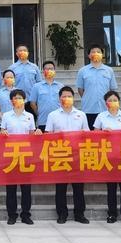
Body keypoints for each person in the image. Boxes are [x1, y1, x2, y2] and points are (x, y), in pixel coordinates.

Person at [45, 86, 90, 224]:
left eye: (69, 96)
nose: (66, 99)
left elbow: (87, 133)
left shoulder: (81, 114)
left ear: (73, 98)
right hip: (60, 154)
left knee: (78, 187)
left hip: (77, 154)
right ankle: (62, 214)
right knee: (61, 187)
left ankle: (79, 214)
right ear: (59, 99)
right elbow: (47, 135)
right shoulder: (53, 115)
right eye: (64, 96)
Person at [94, 90, 121, 225]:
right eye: (110, 100)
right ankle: (112, 214)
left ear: (119, 102)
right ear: (105, 103)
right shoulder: (101, 116)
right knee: (111, 187)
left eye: (115, 100)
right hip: (108, 156)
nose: (113, 102)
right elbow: (94, 134)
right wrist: (103, 132)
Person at [0, 89, 39, 225]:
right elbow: (2, 131)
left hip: (25, 155)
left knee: (26, 188)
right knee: (11, 188)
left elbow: (31, 134)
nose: (17, 100)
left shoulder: (29, 116)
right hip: (11, 155)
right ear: (11, 101)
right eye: (15, 98)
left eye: (20, 98)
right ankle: (12, 215)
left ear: (24, 100)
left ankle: (26, 214)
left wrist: (37, 133)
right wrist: (2, 132)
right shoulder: (6, 116)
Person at [76, 44, 118, 130]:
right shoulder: (82, 71)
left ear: (102, 55)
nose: (96, 53)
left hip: (106, 109)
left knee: (106, 135)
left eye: (98, 52)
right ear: (89, 55)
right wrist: (88, 97)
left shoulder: (109, 70)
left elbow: (112, 89)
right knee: (91, 135)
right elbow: (80, 89)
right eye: (93, 52)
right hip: (89, 109)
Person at [30, 61, 63, 131]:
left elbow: (63, 102)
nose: (49, 70)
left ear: (54, 71)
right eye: (47, 69)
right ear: (43, 72)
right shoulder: (36, 86)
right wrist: (39, 113)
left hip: (58, 121)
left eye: (51, 69)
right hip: (43, 120)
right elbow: (32, 103)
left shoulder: (60, 86)